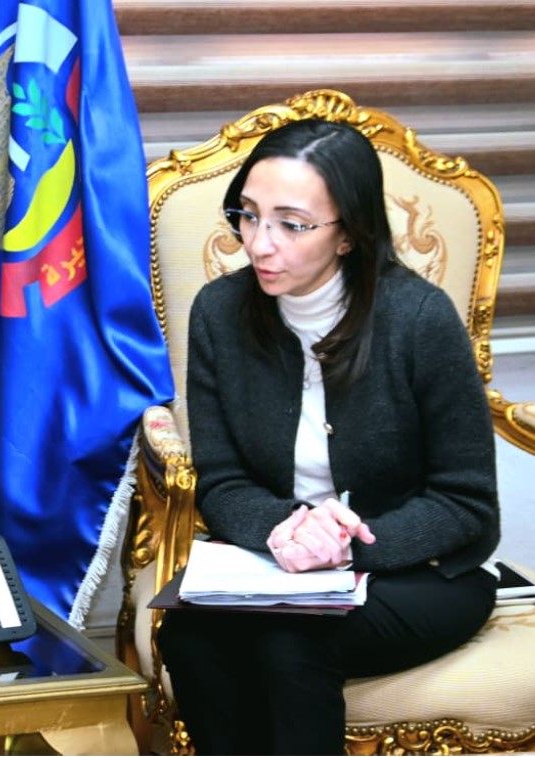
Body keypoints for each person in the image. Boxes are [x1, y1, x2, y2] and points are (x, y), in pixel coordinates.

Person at [155, 119, 499, 755]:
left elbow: (465, 501)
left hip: (420, 575)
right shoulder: (219, 313)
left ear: (348, 234)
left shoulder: (419, 320)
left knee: (289, 644)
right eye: (248, 215)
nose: (259, 244)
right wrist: (286, 528)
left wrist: (344, 545)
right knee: (189, 636)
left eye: (292, 225)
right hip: (277, 569)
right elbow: (223, 481)